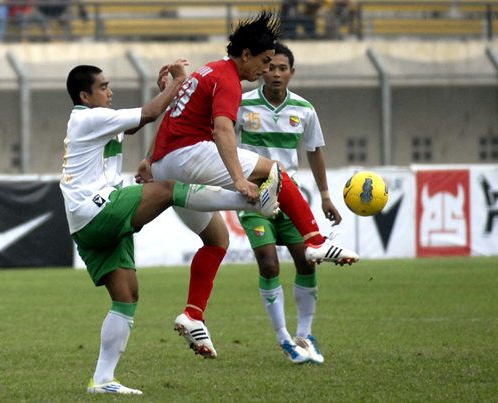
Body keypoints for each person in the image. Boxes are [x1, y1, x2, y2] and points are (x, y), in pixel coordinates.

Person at [135, 10, 359, 361]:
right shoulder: (226, 77)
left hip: (167, 164)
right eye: (264, 61)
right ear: (245, 55)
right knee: (275, 172)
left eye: (274, 63)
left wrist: (150, 160)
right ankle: (315, 241)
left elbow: (174, 117)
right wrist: (240, 177)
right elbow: (223, 129)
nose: (265, 69)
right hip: (188, 156)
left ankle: (192, 313)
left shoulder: (205, 71)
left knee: (217, 239)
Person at [61, 62, 279, 395]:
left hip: (85, 221)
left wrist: (168, 90)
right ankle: (251, 202)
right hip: (97, 207)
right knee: (167, 189)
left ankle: (103, 380)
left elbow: (140, 122)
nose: (110, 91)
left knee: (126, 296)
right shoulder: (89, 118)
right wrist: (178, 82)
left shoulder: (97, 119)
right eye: (104, 87)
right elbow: (149, 114)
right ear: (84, 96)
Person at [234, 42, 340, 364]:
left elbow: (314, 150)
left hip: (289, 197)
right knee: (268, 263)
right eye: (271, 67)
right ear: (262, 70)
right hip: (252, 197)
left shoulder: (304, 110)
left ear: (292, 73)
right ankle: (283, 338)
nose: (276, 74)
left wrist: (324, 196)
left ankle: (304, 335)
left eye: (283, 68)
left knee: (307, 261)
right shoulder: (241, 104)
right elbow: (220, 140)